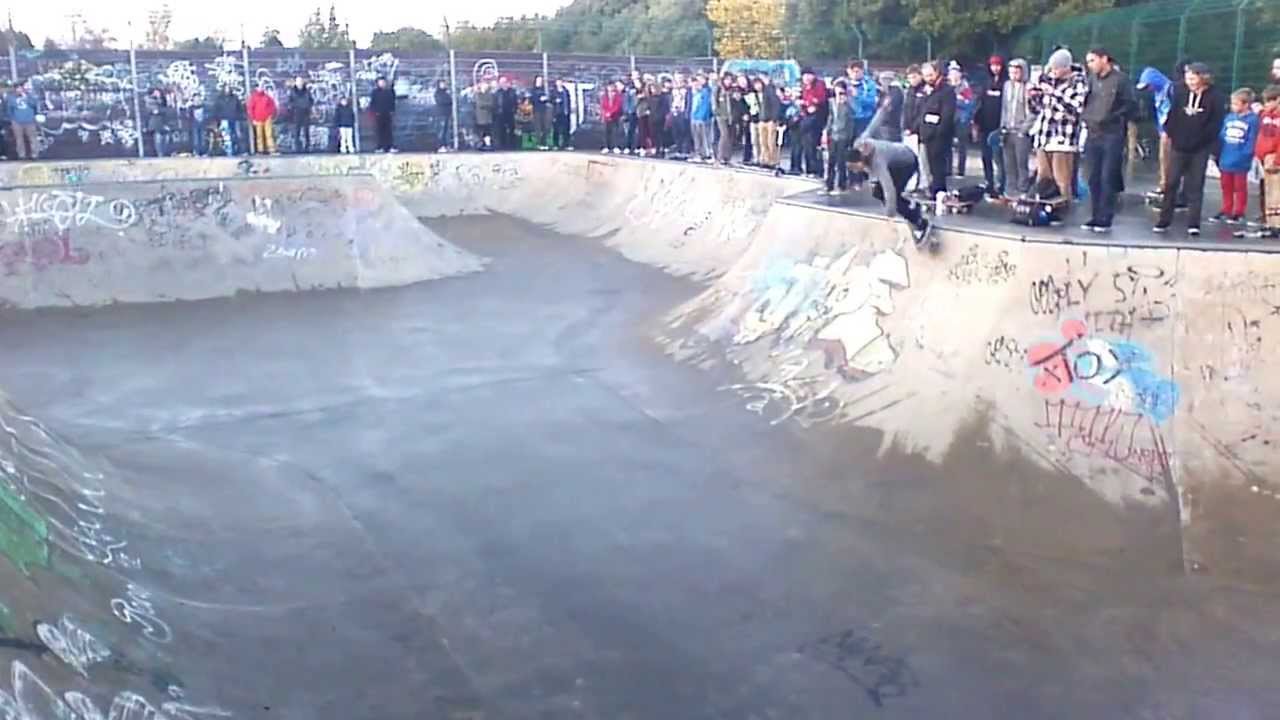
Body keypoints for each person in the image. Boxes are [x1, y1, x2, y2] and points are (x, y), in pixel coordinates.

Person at [1154, 63, 1226, 236]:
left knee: (1195, 185)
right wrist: (1171, 133)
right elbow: (1173, 115)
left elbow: (1215, 123)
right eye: (1187, 79)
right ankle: (1164, 220)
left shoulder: (1215, 97)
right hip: (1179, 146)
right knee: (1171, 183)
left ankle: (1193, 223)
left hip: (1200, 148)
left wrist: (1201, 141)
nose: (1190, 82)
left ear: (1203, 78)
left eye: (1193, 78)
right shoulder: (1181, 92)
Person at [1081, 48, 1136, 233]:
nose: (1090, 65)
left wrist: (1113, 117)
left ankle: (1105, 217)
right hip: (1093, 132)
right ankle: (1095, 214)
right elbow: (1087, 101)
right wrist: (1087, 117)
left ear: (1104, 59)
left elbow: (1130, 105)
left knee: (1108, 176)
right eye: (1088, 61)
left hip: (1112, 134)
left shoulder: (1121, 80)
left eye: (1093, 60)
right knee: (1093, 177)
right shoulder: (1092, 79)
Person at [847, 131, 932, 245]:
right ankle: (912, 207)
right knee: (877, 192)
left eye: (855, 167)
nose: (854, 171)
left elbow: (889, 190)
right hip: (894, 163)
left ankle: (920, 222)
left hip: (907, 163)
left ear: (861, 160)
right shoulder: (860, 144)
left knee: (892, 196)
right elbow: (871, 128)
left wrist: (889, 215)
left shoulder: (878, 162)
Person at [1028, 48, 1088, 208]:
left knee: (1062, 179)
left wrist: (1054, 93)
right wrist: (1034, 97)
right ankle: (1042, 208)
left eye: (1056, 69)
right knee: (1043, 177)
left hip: (1063, 138)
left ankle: (1064, 208)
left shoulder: (1078, 82)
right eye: (1051, 69)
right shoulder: (1050, 79)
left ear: (1065, 67)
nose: (1053, 72)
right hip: (1044, 136)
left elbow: (1076, 108)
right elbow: (1038, 109)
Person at [1210, 88, 1259, 225]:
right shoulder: (1229, 118)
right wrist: (1218, 152)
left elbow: (1252, 139)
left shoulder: (1253, 120)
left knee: (1240, 187)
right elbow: (1222, 135)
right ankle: (1226, 208)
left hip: (1240, 159)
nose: (1233, 106)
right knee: (1226, 186)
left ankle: (1239, 211)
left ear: (1246, 104)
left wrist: (1245, 154)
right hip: (1226, 156)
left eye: (1236, 104)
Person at [1136, 64, 1181, 203]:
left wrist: (1171, 130)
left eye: (1148, 85)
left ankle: (1170, 187)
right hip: (1163, 130)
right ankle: (1163, 184)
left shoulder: (1170, 89)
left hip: (1172, 131)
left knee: (1170, 159)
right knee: (1163, 158)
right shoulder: (1157, 92)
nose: (1148, 89)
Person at [917, 62, 957, 197]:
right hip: (926, 134)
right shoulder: (925, 90)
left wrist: (939, 132)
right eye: (925, 76)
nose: (928, 78)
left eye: (930, 75)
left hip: (940, 136)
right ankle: (932, 190)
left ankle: (939, 194)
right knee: (929, 167)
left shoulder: (947, 91)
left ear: (937, 73)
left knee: (938, 168)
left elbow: (947, 115)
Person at [1001, 59, 1034, 197]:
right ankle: (1010, 190)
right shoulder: (1007, 86)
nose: (1013, 75)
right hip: (1008, 130)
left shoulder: (1029, 87)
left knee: (1021, 163)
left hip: (1021, 131)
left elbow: (1033, 111)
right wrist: (1002, 126)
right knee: (1009, 163)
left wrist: (1024, 129)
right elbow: (1004, 108)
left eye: (1016, 72)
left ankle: (1022, 190)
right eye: (1011, 72)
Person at [975, 56, 1007, 196]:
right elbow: (979, 103)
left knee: (999, 157)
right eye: (993, 65)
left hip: (998, 126)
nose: (995, 68)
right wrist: (976, 122)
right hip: (984, 125)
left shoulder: (1005, 83)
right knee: (986, 156)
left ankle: (1002, 184)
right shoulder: (985, 82)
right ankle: (989, 182)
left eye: (998, 65)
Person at [1255, 86, 1280, 235]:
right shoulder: (1265, 116)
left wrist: (1277, 160)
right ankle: (1270, 222)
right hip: (1265, 156)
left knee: (1277, 192)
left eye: (1270, 101)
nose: (1266, 104)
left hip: (1274, 157)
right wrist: (1259, 154)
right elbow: (1261, 136)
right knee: (1268, 191)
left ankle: (1277, 224)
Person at [824, 82, 856, 194]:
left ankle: (842, 185)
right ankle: (829, 185)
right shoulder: (831, 102)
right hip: (833, 135)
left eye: (841, 91)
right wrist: (826, 131)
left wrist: (846, 102)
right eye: (837, 91)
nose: (839, 94)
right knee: (831, 161)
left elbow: (852, 117)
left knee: (841, 162)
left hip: (844, 136)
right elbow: (830, 118)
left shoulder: (848, 104)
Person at [901, 65, 928, 192]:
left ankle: (923, 184)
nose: (912, 80)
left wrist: (913, 128)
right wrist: (905, 127)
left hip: (920, 131)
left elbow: (922, 112)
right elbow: (906, 110)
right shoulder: (909, 91)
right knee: (909, 159)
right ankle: (911, 184)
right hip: (908, 132)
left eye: (914, 77)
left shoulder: (925, 91)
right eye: (910, 77)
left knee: (922, 161)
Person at [948, 62, 976, 178]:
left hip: (962, 120)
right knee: (947, 145)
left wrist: (958, 101)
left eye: (956, 72)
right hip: (949, 119)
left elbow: (970, 104)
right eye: (951, 72)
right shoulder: (947, 87)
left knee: (962, 146)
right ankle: (948, 169)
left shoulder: (965, 87)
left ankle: (961, 170)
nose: (953, 75)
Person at [800, 67, 829, 178]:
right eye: (804, 76)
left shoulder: (819, 85)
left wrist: (809, 103)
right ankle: (809, 169)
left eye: (809, 75)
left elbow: (820, 100)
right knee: (806, 145)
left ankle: (817, 170)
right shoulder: (804, 87)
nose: (806, 78)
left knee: (814, 145)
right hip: (807, 118)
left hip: (818, 119)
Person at [846, 59, 880, 142]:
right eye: (852, 72)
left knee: (862, 144)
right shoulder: (845, 83)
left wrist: (858, 96)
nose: (854, 74)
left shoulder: (869, 84)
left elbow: (872, 103)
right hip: (847, 120)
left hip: (864, 119)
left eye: (857, 71)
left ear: (862, 71)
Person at [6, 83, 39, 160]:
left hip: (29, 121)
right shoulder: (11, 98)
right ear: (15, 90)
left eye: (21, 88)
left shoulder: (30, 96)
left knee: (32, 138)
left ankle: (35, 154)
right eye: (17, 88)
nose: (19, 90)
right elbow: (9, 110)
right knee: (19, 139)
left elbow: (34, 105)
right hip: (17, 122)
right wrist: (12, 120)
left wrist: (26, 98)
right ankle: (21, 155)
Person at [757, 77, 782, 170]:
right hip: (762, 119)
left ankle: (773, 161)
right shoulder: (762, 91)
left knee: (771, 142)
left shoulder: (771, 90)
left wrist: (774, 118)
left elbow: (776, 104)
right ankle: (765, 160)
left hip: (770, 120)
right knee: (763, 142)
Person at [873, 71, 903, 142]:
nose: (882, 83)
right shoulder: (884, 92)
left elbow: (889, 107)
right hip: (884, 126)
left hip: (891, 126)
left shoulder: (895, 91)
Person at [286, 77, 314, 153]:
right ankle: (297, 147)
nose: (300, 83)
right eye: (298, 82)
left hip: (306, 113)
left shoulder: (307, 91)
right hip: (296, 113)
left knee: (306, 131)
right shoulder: (292, 91)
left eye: (301, 81)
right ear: (296, 83)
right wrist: (294, 107)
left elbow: (311, 100)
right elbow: (289, 101)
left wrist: (308, 106)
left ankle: (307, 147)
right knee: (297, 131)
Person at [690, 74, 714, 162]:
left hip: (703, 118)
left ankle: (708, 155)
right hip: (694, 117)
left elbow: (706, 105)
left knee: (705, 137)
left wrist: (703, 116)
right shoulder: (696, 92)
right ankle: (699, 154)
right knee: (696, 137)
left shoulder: (706, 91)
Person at [714, 73, 737, 164]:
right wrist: (717, 112)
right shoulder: (719, 89)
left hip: (731, 116)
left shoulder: (733, 90)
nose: (728, 81)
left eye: (730, 80)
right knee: (724, 135)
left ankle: (727, 157)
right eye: (727, 79)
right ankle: (720, 157)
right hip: (721, 116)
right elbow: (715, 102)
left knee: (731, 136)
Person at [369, 77, 396, 153]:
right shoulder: (375, 92)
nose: (381, 84)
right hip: (378, 114)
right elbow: (373, 102)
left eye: (383, 82)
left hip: (387, 114)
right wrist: (374, 111)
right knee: (379, 131)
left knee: (388, 131)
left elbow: (392, 102)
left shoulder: (389, 91)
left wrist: (392, 111)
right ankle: (380, 147)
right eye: (380, 82)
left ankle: (389, 146)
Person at [144, 87, 171, 157]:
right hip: (155, 122)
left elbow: (166, 110)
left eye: (158, 92)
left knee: (165, 139)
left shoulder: (163, 100)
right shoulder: (150, 100)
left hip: (164, 122)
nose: (157, 94)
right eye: (155, 92)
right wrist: (158, 110)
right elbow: (153, 110)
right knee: (158, 139)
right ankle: (160, 154)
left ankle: (164, 153)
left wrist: (160, 110)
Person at [495, 76, 518, 151]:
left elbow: (515, 102)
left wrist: (514, 110)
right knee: (501, 130)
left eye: (504, 82)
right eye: (501, 82)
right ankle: (502, 145)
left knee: (511, 129)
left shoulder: (512, 91)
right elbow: (495, 103)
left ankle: (512, 145)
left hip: (510, 113)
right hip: (500, 113)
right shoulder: (498, 92)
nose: (503, 84)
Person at [601, 82, 623, 154]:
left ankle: (616, 147)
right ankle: (606, 147)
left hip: (615, 117)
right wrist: (606, 114)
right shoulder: (604, 96)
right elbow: (603, 106)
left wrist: (610, 113)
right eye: (609, 87)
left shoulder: (618, 96)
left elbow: (617, 106)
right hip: (606, 117)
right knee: (606, 132)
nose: (610, 90)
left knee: (615, 132)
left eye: (612, 87)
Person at [530, 75, 551, 150]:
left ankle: (544, 143)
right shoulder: (533, 90)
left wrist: (545, 99)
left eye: (541, 81)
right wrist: (539, 99)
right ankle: (538, 143)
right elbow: (532, 100)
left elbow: (548, 99)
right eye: (538, 80)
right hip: (536, 111)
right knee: (538, 128)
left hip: (544, 110)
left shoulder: (544, 90)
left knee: (545, 127)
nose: (540, 82)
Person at [474, 80, 496, 150]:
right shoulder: (478, 94)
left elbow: (491, 104)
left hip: (487, 117)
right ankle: (482, 144)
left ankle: (488, 144)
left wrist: (485, 105)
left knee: (487, 131)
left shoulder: (489, 94)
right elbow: (479, 104)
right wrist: (486, 105)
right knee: (481, 131)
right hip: (480, 117)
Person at [636, 82, 656, 157]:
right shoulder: (639, 95)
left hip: (649, 115)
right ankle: (643, 147)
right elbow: (636, 104)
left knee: (651, 132)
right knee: (642, 132)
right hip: (641, 114)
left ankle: (652, 147)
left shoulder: (651, 96)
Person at [552, 79, 573, 150]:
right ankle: (556, 144)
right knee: (556, 130)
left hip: (565, 112)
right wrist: (555, 101)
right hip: (557, 113)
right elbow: (551, 100)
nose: (559, 83)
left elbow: (568, 101)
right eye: (558, 82)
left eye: (560, 82)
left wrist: (569, 110)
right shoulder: (553, 92)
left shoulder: (566, 91)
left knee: (566, 129)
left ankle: (566, 144)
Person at [434, 80, 454, 152]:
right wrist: (448, 101)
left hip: (447, 114)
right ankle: (440, 146)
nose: (444, 85)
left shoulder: (446, 93)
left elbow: (450, 101)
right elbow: (442, 101)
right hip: (441, 114)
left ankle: (447, 145)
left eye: (444, 84)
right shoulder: (437, 93)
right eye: (442, 84)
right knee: (441, 131)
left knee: (446, 131)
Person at [623, 77, 639, 155]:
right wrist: (627, 111)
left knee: (637, 131)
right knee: (629, 130)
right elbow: (626, 102)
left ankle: (636, 147)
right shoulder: (628, 91)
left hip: (637, 112)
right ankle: (628, 146)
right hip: (630, 112)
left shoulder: (639, 91)